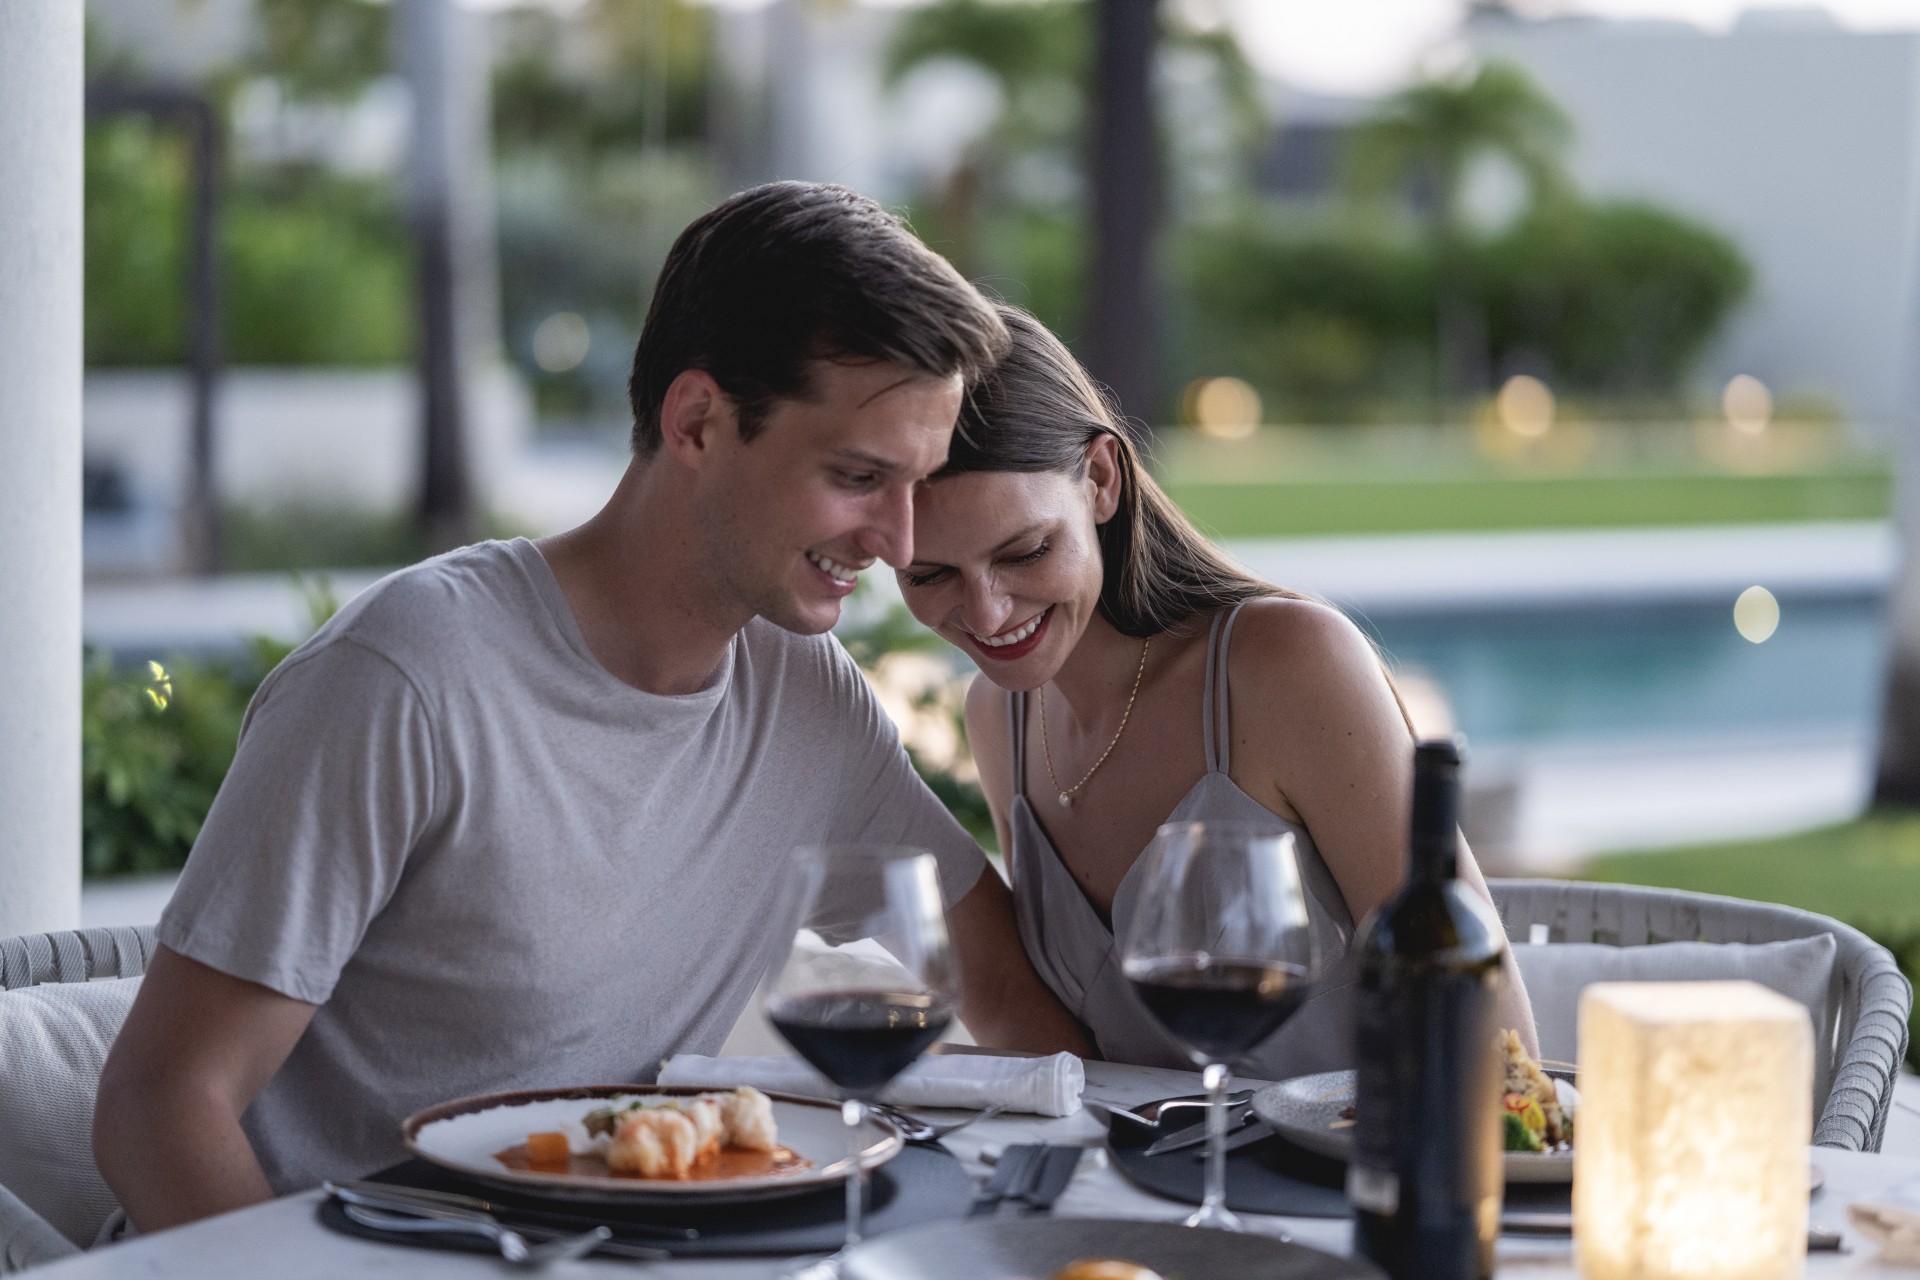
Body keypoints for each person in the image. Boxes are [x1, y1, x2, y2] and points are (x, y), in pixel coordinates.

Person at [94, 184, 1089, 1232]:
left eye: (915, 483)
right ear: (699, 420)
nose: (896, 539)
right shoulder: (408, 680)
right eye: (857, 476)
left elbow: (1003, 984)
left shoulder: (805, 698)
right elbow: (158, 1106)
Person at [893, 307, 1537, 1076]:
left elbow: (1493, 1039)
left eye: (1026, 551)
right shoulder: (999, 714)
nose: (987, 613)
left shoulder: (1284, 665)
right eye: (928, 575)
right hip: (1147, 1192)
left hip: (1355, 1182)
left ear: (1100, 481)